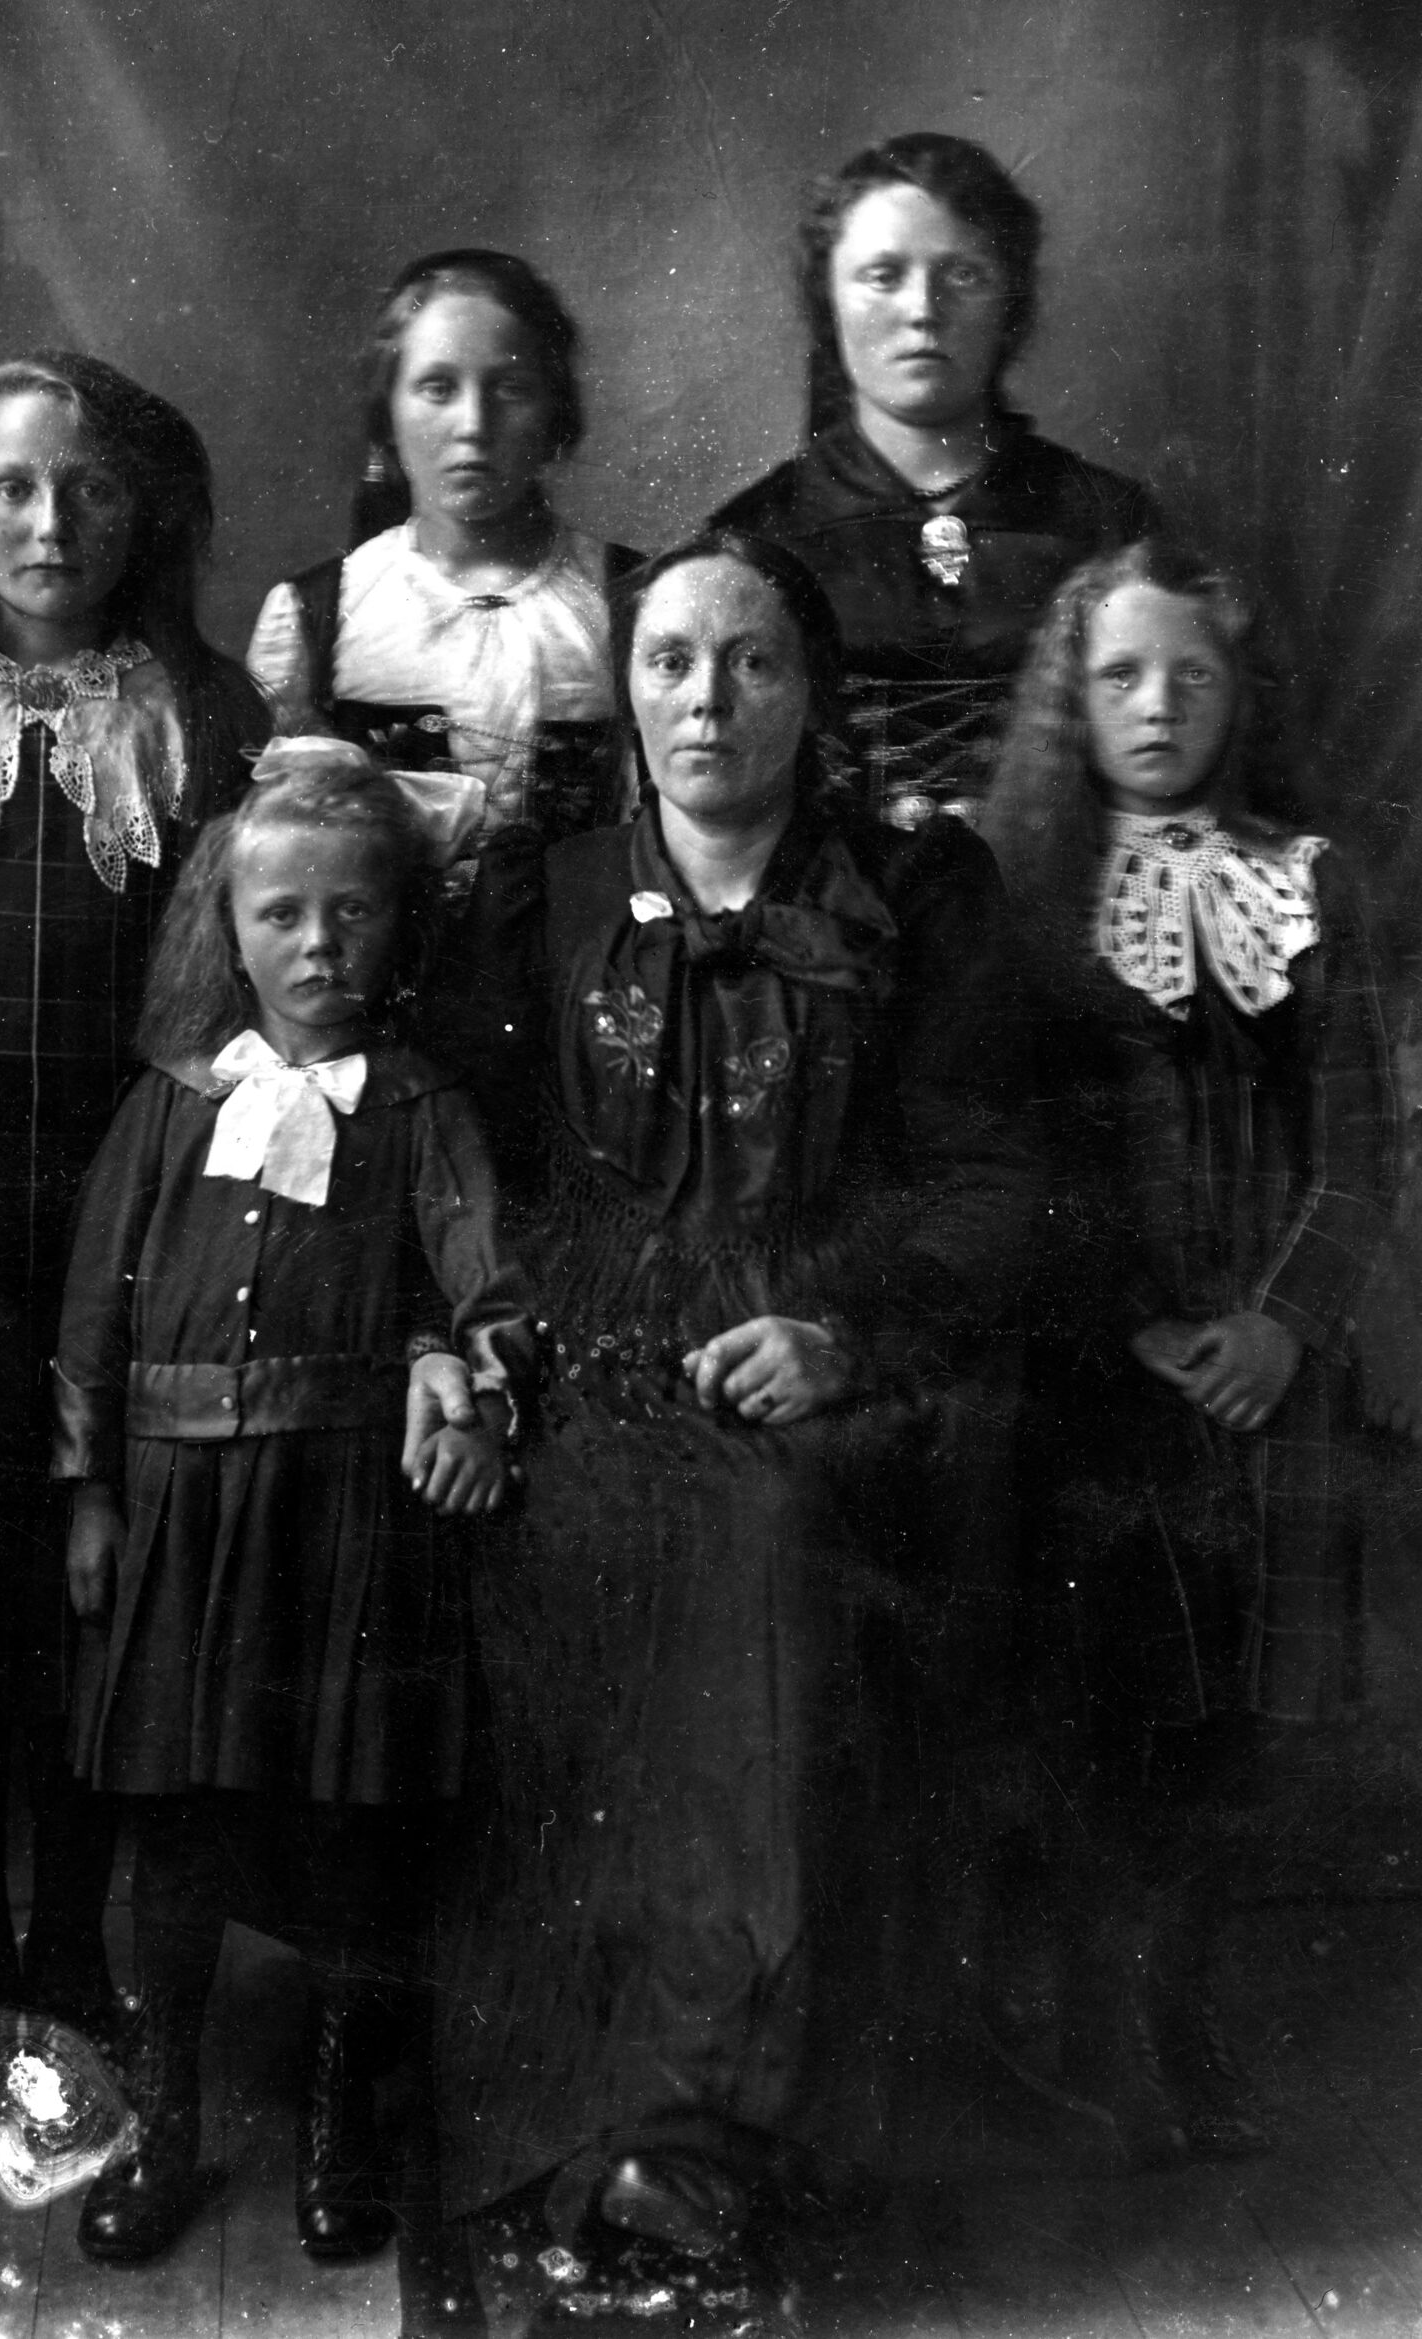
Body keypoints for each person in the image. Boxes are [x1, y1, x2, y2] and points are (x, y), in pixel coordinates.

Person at [420, 530, 1037, 2322]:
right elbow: (461, 1156)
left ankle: (710, 2133)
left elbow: (998, 1180)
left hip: (823, 1361)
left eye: (752, 662)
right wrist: (458, 1338)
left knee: (762, 1557)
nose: (708, 699)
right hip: (589, 1352)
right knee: (549, 1548)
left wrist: (847, 1334)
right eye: (672, 661)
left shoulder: (914, 898)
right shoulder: (544, 895)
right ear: (627, 690)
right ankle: (577, 2124)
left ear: (811, 692)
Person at [0, 352, 267, 2026]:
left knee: (100, 1581)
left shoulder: (199, 716)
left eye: (86, 487)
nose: (49, 521)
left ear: (139, 510)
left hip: (121, 1212)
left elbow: (235, 998)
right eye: (11, 485)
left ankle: (74, 1934)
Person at [52, 741, 533, 2265]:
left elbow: (491, 1285)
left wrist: (473, 1385)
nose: (319, 944)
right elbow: (93, 1313)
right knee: (176, 1830)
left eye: (353, 911)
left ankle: (342, 2123)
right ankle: (164, 2121)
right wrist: (90, 1493)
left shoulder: (422, 1104)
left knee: (351, 1827)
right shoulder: (171, 1102)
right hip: (180, 1513)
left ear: (399, 922)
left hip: (349, 1517)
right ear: (230, 925)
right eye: (282, 914)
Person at [980, 539, 1395, 2164]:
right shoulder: (1020, 895)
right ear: (1070, 697)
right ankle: (1073, 2011)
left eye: (1194, 675)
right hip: (1091, 1376)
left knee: (1231, 1717)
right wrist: (1120, 1319)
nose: (1158, 705)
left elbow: (1355, 1147)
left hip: (1267, 1378)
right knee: (1098, 1693)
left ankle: (1179, 2001)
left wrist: (1283, 1323)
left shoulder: (1309, 883)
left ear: (1240, 694)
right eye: (1121, 674)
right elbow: (1004, 1156)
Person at [713, 132, 1156, 831]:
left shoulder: (1108, 521)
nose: (923, 309)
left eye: (964, 275)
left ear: (1011, 302)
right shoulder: (755, 536)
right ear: (828, 301)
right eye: (883, 275)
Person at [248, 247, 635, 855]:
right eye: (438, 388)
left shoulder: (633, 595)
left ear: (554, 409)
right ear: (388, 412)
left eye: (510, 388)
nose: (473, 424)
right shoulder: (314, 615)